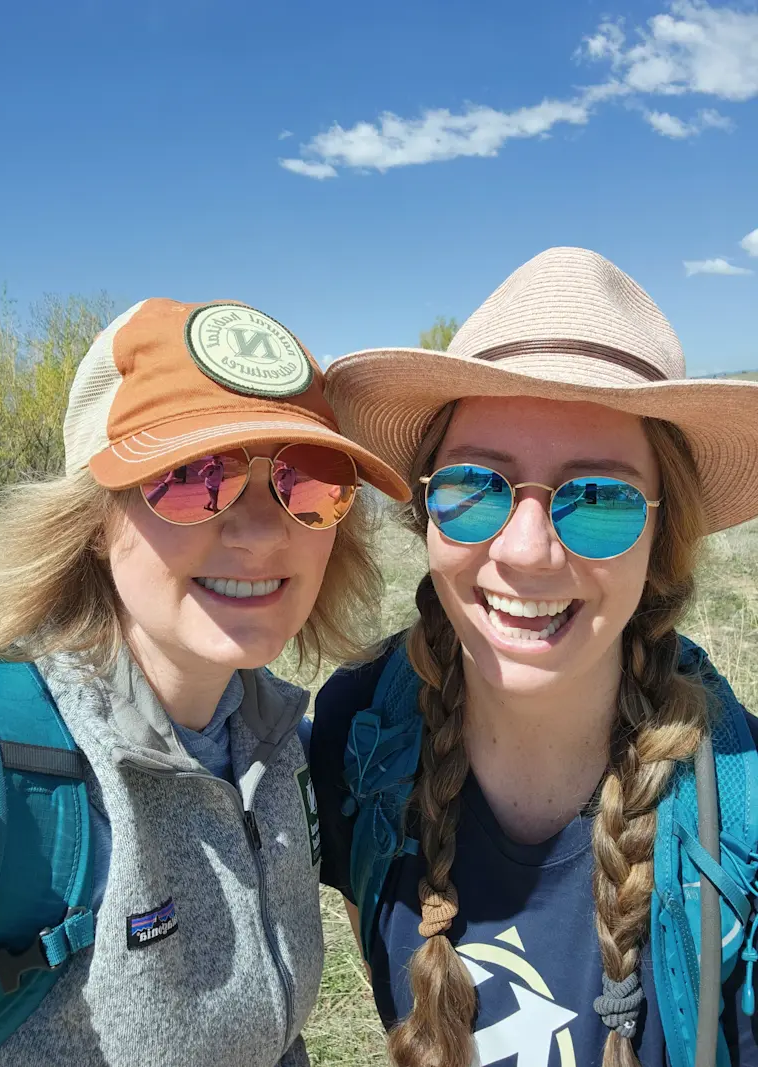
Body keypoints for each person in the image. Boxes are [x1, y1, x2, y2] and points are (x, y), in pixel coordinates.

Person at [311, 248, 758, 1067]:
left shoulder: (742, 820)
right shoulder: (356, 736)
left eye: (599, 500)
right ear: (425, 514)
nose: (525, 551)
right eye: (474, 486)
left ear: (662, 540)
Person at [0, 297, 408, 1067]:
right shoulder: (0, 770)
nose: (264, 531)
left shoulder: (281, 747)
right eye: (193, 476)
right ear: (96, 522)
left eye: (309, 483)